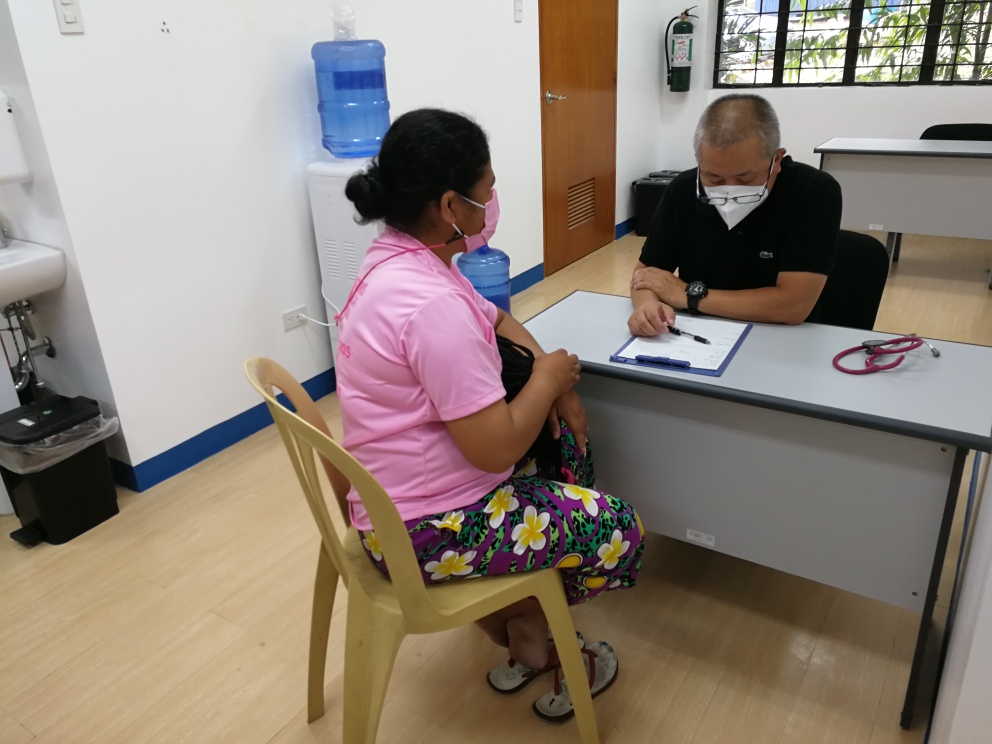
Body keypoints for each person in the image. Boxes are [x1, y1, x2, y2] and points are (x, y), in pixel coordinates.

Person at [337, 108, 644, 721]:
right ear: (450, 206)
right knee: (617, 528)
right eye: (487, 190)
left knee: (566, 450)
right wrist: (550, 378)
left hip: (392, 500)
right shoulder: (431, 308)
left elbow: (496, 317)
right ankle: (543, 633)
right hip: (425, 531)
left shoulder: (396, 261)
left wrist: (550, 379)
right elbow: (495, 449)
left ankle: (526, 625)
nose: (493, 202)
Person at [628, 93, 842, 337]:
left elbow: (793, 307)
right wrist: (647, 307)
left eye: (744, 178)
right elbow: (645, 274)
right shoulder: (683, 189)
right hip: (694, 333)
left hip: (780, 336)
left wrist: (689, 296)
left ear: (776, 160)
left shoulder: (813, 192)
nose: (729, 190)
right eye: (714, 178)